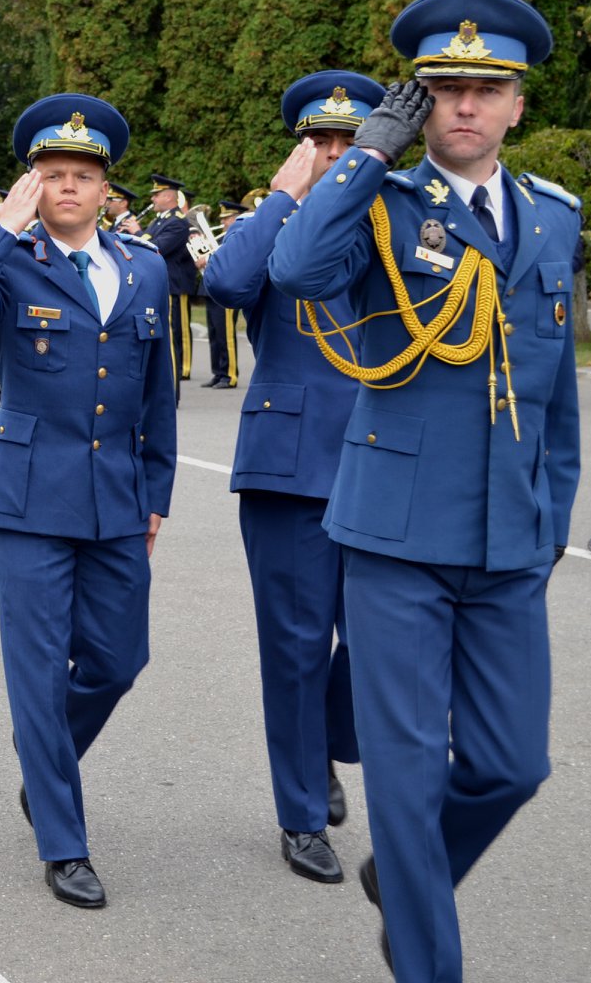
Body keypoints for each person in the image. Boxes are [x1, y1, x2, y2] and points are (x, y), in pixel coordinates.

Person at [267, 0, 581, 980]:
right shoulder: (385, 205)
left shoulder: (553, 219)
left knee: (512, 765)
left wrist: (548, 523)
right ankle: (423, 946)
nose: (464, 106)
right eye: (444, 88)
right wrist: (365, 153)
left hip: (507, 543)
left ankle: (405, 876)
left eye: (487, 89)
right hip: (395, 542)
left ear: (517, 105)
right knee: (404, 786)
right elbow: (294, 267)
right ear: (423, 103)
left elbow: (555, 398)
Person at [0, 95, 176, 910]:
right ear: (31, 182)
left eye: (82, 174)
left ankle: (46, 758)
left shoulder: (141, 266)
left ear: (107, 186)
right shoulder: (7, 259)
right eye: (51, 174)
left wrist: (159, 492)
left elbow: (157, 390)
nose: (67, 186)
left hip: (117, 496)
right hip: (32, 495)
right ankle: (63, 842)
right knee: (38, 671)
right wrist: (1, 227)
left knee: (116, 660)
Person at [206, 70, 385, 888]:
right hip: (289, 468)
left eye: (351, 144)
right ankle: (302, 812)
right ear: (300, 151)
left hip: (387, 460)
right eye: (321, 144)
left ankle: (325, 743)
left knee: (381, 640)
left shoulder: (396, 220)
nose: (336, 157)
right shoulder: (273, 227)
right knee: (297, 646)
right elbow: (226, 284)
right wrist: (280, 199)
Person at [145, 174, 199, 389]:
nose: (153, 199)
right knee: (169, 331)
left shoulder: (177, 222)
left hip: (175, 282)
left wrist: (135, 232)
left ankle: (180, 373)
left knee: (177, 331)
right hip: (162, 282)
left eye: (156, 195)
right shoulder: (159, 220)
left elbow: (157, 246)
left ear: (169, 196)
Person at [200, 200, 247, 389]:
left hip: (228, 291)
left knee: (226, 334)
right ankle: (218, 372)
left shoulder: (239, 236)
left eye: (227, 218)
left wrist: (209, 256)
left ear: (236, 218)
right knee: (214, 333)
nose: (224, 222)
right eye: (223, 219)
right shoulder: (220, 238)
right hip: (212, 290)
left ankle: (230, 374)